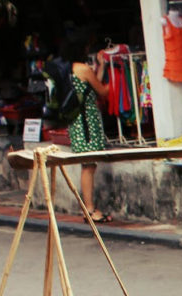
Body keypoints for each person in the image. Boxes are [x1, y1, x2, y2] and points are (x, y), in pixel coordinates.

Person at [61, 35, 111, 223]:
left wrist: (101, 67)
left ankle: (89, 208)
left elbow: (90, 88)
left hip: (77, 123)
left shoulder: (69, 70)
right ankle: (89, 209)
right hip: (87, 123)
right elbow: (102, 91)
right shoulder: (83, 68)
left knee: (88, 165)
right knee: (88, 166)